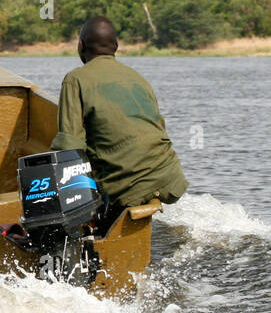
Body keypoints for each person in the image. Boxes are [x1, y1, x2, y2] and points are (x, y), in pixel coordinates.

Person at [51, 16, 188, 228]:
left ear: (81, 46)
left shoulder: (75, 79)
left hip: (126, 186)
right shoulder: (139, 79)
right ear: (116, 46)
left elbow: (70, 147)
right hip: (168, 176)